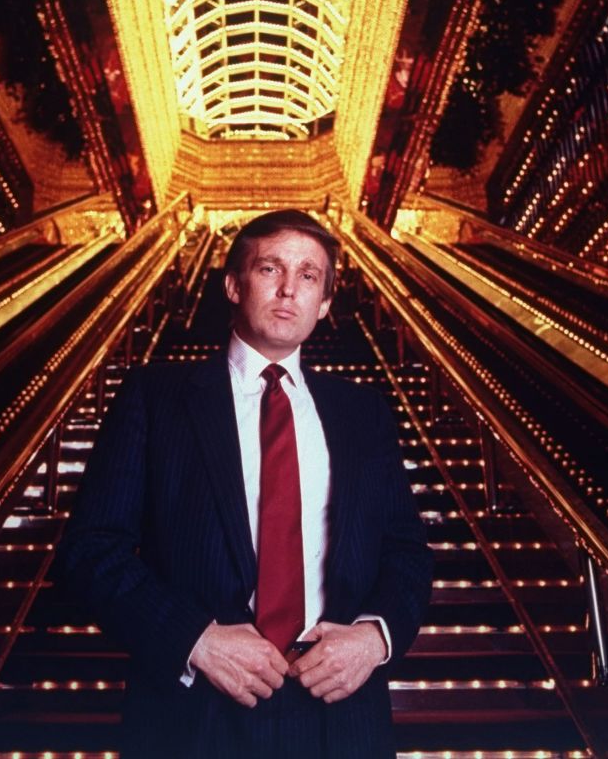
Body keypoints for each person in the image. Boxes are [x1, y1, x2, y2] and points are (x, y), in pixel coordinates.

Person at [57, 209, 433, 758]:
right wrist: (194, 639)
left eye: (309, 276)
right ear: (233, 285)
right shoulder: (154, 396)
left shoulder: (363, 412)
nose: (288, 290)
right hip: (194, 711)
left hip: (340, 711)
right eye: (270, 269)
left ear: (325, 303)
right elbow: (89, 552)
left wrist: (375, 638)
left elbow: (407, 551)